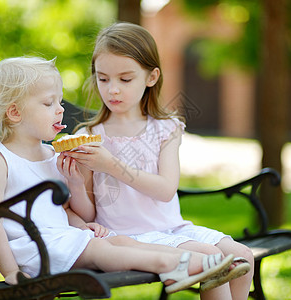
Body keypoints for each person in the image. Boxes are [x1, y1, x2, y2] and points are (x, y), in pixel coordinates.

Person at [0, 56, 237, 295]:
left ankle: (188, 259)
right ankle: (172, 266)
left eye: (59, 101)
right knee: (102, 250)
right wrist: (11, 272)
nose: (60, 109)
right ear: (14, 112)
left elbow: (61, 210)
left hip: (64, 241)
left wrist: (82, 221)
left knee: (119, 241)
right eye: (49, 103)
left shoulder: (51, 155)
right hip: (36, 249)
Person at [65, 23, 254, 299]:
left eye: (125, 79)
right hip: (128, 237)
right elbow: (88, 214)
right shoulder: (89, 137)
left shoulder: (166, 129)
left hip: (173, 228)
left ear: (151, 77)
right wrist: (76, 183)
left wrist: (110, 165)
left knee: (242, 257)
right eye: (103, 79)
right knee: (213, 259)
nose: (112, 90)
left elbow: (166, 189)